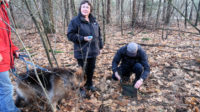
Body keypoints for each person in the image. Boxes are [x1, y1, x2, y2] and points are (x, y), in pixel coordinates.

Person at [67, 0, 103, 92]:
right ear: (80, 9)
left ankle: (89, 84)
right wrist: (83, 38)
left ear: (90, 9)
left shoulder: (94, 21)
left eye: (87, 7)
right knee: (82, 71)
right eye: (83, 7)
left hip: (93, 51)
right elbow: (70, 35)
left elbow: (98, 35)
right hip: (81, 51)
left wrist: (100, 47)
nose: (85, 9)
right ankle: (81, 88)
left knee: (91, 69)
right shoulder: (75, 21)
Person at [0, 0, 21, 112]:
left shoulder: (3, 9)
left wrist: (14, 49)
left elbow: (5, 38)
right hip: (1, 60)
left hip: (4, 56)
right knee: (6, 88)